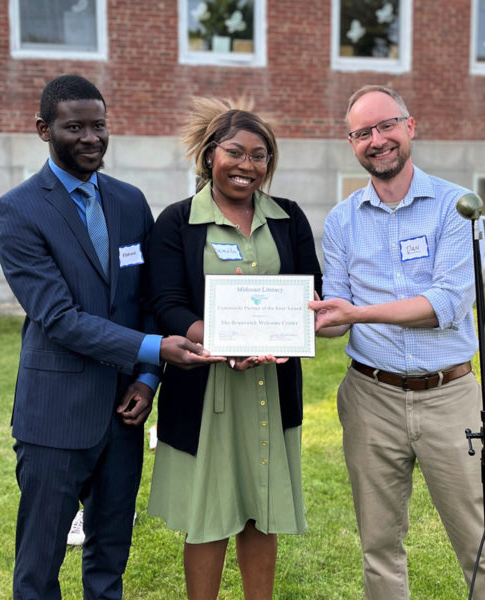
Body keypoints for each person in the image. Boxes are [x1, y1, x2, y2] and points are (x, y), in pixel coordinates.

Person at [0, 74, 223, 600]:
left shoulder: (128, 202)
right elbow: (59, 317)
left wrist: (146, 377)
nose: (91, 137)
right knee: (39, 565)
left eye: (99, 125)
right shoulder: (17, 210)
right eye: (75, 127)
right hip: (55, 416)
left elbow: (145, 300)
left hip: (124, 412)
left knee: (109, 557)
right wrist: (155, 349)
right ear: (43, 129)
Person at [308, 85, 485, 599]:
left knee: (483, 543)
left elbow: (444, 304)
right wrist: (308, 320)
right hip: (370, 397)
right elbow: (338, 316)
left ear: (410, 126)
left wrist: (356, 312)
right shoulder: (341, 221)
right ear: (351, 142)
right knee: (378, 545)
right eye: (363, 133)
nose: (376, 141)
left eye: (386, 126)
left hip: (450, 397)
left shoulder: (458, 208)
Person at [146, 97, 322, 600]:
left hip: (271, 382)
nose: (247, 165)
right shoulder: (178, 221)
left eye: (260, 155)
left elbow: (311, 290)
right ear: (209, 155)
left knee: (260, 508)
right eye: (236, 152)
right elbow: (166, 302)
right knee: (208, 514)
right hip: (206, 386)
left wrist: (294, 328)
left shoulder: (288, 217)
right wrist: (220, 340)